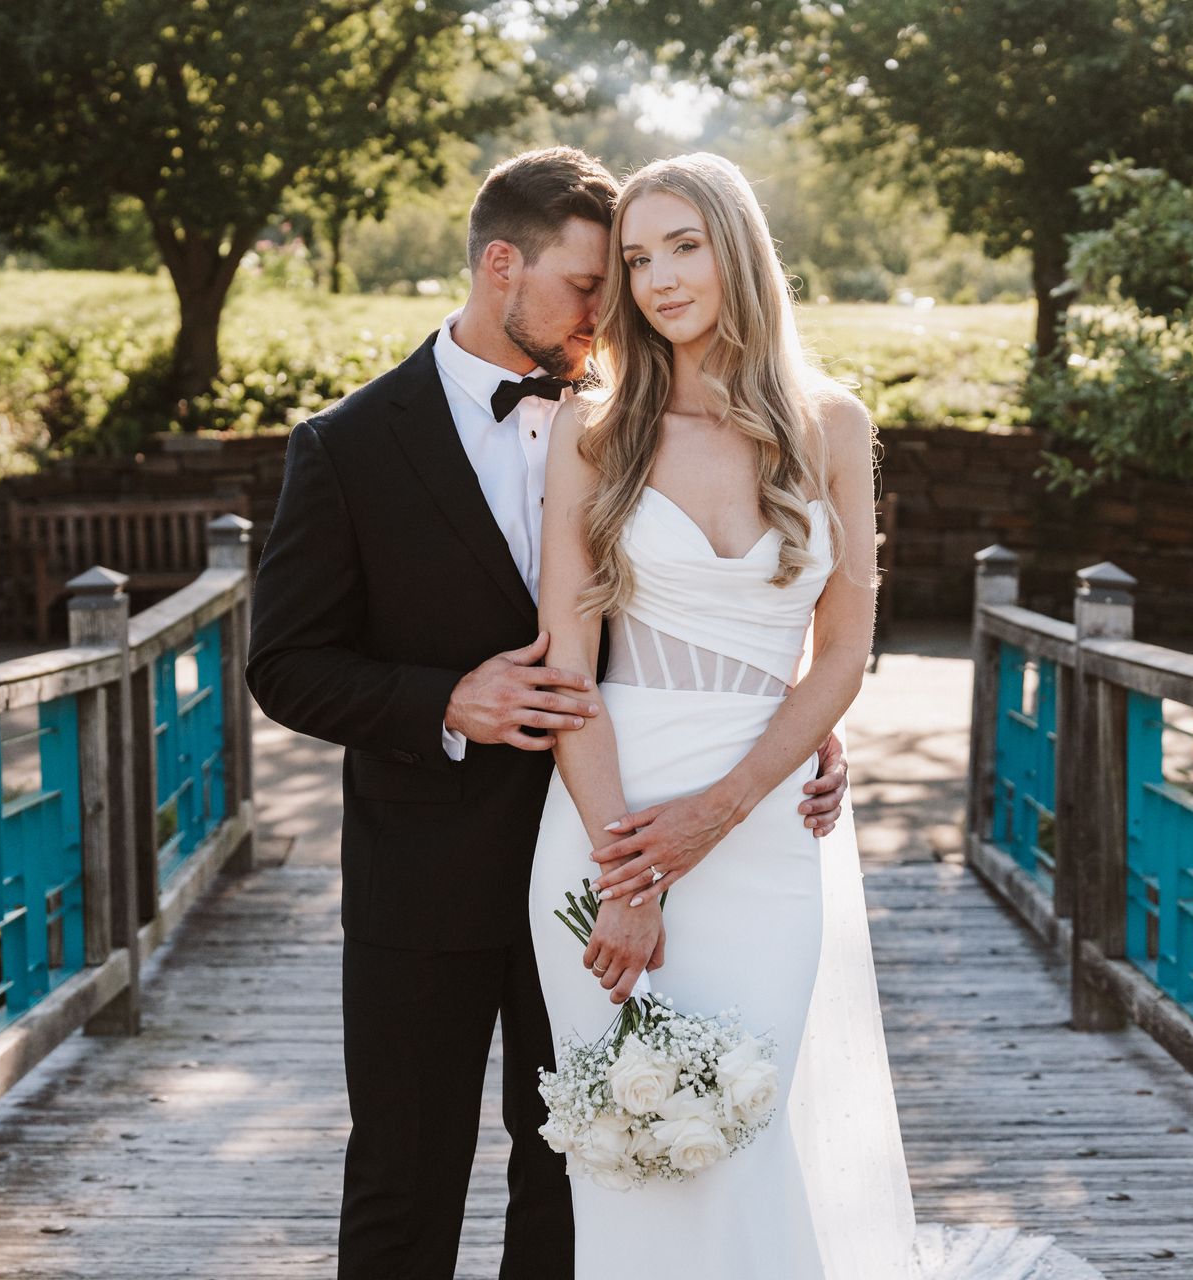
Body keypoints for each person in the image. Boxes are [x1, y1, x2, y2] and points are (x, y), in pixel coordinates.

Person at [244, 147, 850, 1280]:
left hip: (608, 846)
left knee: (578, 1170)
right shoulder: (348, 446)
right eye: (590, 284)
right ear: (500, 265)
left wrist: (802, 720)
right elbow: (283, 665)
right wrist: (445, 700)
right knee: (404, 1170)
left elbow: (715, 617)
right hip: (429, 865)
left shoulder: (618, 416)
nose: (611, 308)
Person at [526, 152, 1104, 1279]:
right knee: (628, 1157)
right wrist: (632, 874)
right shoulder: (592, 431)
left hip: (765, 829)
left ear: (738, 247)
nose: (659, 279)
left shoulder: (831, 424)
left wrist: (726, 808)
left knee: (745, 1141)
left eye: (683, 245)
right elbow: (567, 676)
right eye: (637, 259)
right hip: (608, 822)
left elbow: (842, 654)